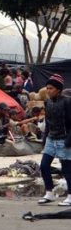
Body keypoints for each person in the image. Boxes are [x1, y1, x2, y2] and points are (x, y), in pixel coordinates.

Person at [37, 74, 71, 206]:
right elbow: (48, 123)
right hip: (51, 138)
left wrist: (69, 140)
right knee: (44, 166)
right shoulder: (48, 102)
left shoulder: (68, 102)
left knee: (67, 169)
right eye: (47, 88)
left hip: (64, 139)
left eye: (51, 88)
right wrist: (45, 139)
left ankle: (70, 196)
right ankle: (49, 193)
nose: (48, 90)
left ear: (58, 89)